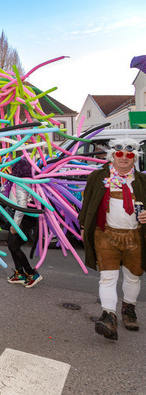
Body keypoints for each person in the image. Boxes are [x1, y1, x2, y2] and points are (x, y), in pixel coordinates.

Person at [79, 138, 146, 341]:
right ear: (112, 156)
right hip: (105, 234)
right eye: (119, 154)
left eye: (129, 155)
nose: (124, 158)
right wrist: (83, 226)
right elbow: (87, 203)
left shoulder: (142, 180)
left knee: (133, 276)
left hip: (135, 236)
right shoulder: (97, 177)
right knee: (108, 277)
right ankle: (109, 316)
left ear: (135, 158)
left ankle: (129, 309)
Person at [4, 158, 42, 288]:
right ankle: (20, 273)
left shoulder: (22, 183)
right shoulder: (27, 180)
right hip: (24, 217)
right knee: (11, 245)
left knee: (14, 246)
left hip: (24, 218)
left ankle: (31, 273)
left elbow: (21, 206)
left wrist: (15, 225)